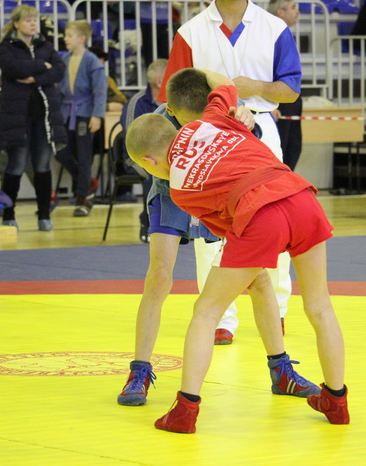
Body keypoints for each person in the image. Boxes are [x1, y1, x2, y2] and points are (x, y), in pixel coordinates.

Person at [126, 68, 349, 433]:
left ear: (149, 163)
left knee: (206, 312)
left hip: (259, 212)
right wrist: (209, 79)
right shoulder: (212, 119)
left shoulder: (180, 188)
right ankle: (336, 402)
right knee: (320, 306)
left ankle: (185, 411)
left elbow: (232, 230)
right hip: (301, 196)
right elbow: (225, 84)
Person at [158, 0, 301, 344]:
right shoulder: (190, 32)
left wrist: (256, 87)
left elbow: (291, 90)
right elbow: (170, 96)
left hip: (261, 125)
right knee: (208, 224)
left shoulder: (274, 27)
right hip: (207, 131)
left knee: (275, 219)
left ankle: (277, 308)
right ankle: (221, 315)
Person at [0, 5, 66, 231]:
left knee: (42, 165)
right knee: (15, 165)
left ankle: (44, 215)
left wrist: (36, 78)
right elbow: (13, 68)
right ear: (16, 23)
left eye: (34, 19)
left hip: (44, 117)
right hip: (17, 117)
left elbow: (59, 70)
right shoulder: (6, 47)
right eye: (28, 20)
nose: (33, 23)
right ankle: (8, 215)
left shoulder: (45, 45)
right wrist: (41, 66)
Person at [56, 20, 107, 218]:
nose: (65, 39)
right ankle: (86, 183)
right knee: (60, 151)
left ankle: (82, 199)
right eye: (65, 35)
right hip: (67, 112)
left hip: (85, 113)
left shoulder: (92, 61)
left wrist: (97, 115)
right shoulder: (65, 59)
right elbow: (59, 89)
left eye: (69, 35)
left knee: (84, 156)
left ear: (82, 38)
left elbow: (100, 91)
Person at [120, 59, 168, 242]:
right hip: (135, 157)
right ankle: (148, 223)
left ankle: (181, 225)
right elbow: (131, 141)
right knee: (153, 172)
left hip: (162, 157)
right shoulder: (137, 102)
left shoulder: (173, 102)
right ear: (159, 82)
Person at [267, 0, 303, 171]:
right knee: (279, 153)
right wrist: (271, 105)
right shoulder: (269, 35)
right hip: (277, 101)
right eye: (293, 7)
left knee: (294, 148)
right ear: (280, 12)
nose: (298, 11)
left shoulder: (286, 34)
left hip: (292, 99)